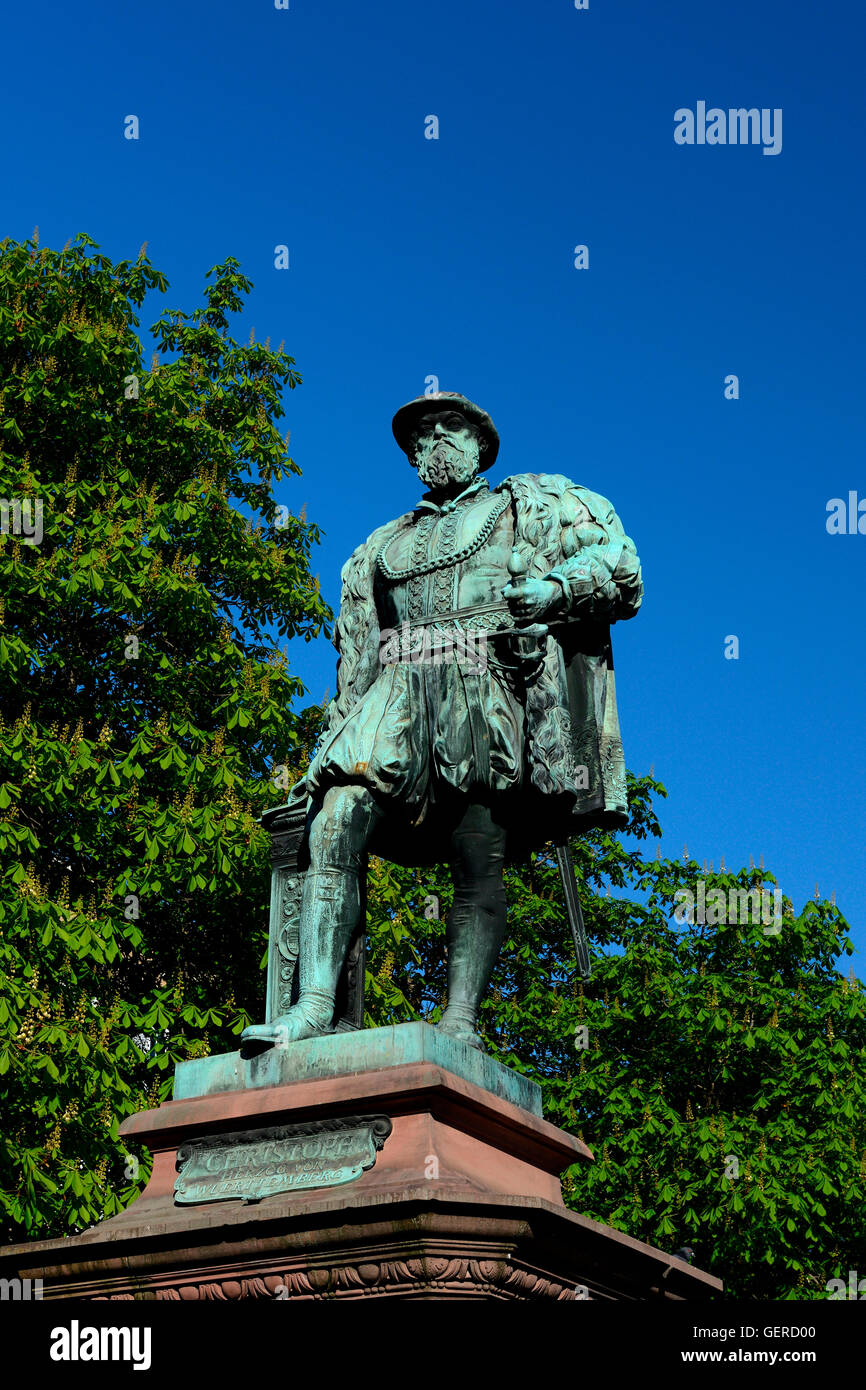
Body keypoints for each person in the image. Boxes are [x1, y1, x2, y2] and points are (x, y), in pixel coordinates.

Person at [242, 393, 642, 1049]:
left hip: (486, 696)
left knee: (476, 853)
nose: (436, 443)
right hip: (394, 700)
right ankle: (312, 1005)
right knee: (338, 811)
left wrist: (552, 592)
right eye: (422, 436)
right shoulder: (380, 545)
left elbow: (622, 568)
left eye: (451, 429)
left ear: (482, 443)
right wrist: (334, 737)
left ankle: (461, 1020)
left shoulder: (531, 506)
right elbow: (357, 660)